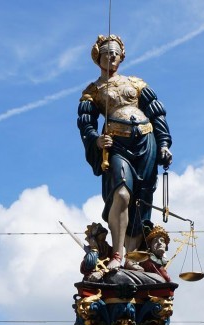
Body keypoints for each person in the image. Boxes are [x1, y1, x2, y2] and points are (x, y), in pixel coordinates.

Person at [78, 34, 172, 271]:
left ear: (121, 57)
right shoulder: (93, 91)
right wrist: (96, 140)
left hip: (145, 142)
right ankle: (117, 255)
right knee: (121, 195)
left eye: (115, 53)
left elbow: (156, 113)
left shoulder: (136, 84)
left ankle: (132, 255)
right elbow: (85, 123)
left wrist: (163, 143)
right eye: (106, 53)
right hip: (117, 145)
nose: (111, 56)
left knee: (141, 199)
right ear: (97, 58)